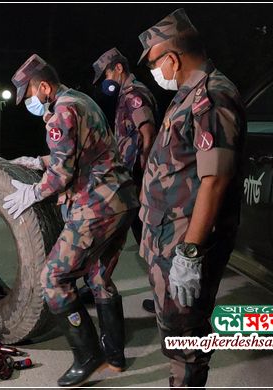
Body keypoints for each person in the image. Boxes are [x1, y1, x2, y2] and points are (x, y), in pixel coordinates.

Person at [7, 54, 139, 386]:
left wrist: (35, 192)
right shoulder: (79, 100)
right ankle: (115, 355)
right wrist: (38, 160)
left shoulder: (61, 112)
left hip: (97, 206)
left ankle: (87, 356)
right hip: (121, 200)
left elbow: (62, 172)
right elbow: (81, 151)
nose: (30, 103)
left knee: (52, 278)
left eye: (29, 96)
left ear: (44, 86)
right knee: (98, 277)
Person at [136, 9, 246, 386]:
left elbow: (215, 179)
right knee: (176, 330)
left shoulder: (212, 96)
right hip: (167, 235)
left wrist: (190, 253)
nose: (153, 71)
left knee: (187, 340)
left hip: (185, 241)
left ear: (172, 57)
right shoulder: (190, 93)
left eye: (153, 61)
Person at [92, 47, 159, 313]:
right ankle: (162, 297)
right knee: (143, 240)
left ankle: (166, 300)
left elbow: (148, 133)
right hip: (131, 177)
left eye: (106, 74)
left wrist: (144, 177)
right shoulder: (125, 95)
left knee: (150, 241)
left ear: (118, 68)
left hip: (139, 179)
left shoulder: (134, 95)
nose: (105, 81)